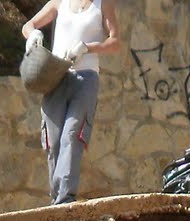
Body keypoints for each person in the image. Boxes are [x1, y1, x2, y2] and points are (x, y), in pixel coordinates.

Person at [22, 0, 121, 205]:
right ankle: (56, 200)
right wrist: (33, 34)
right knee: (54, 140)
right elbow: (28, 25)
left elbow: (115, 42)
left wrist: (88, 48)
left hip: (85, 78)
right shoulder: (60, 2)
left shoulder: (102, 4)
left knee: (72, 135)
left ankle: (64, 200)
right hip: (56, 76)